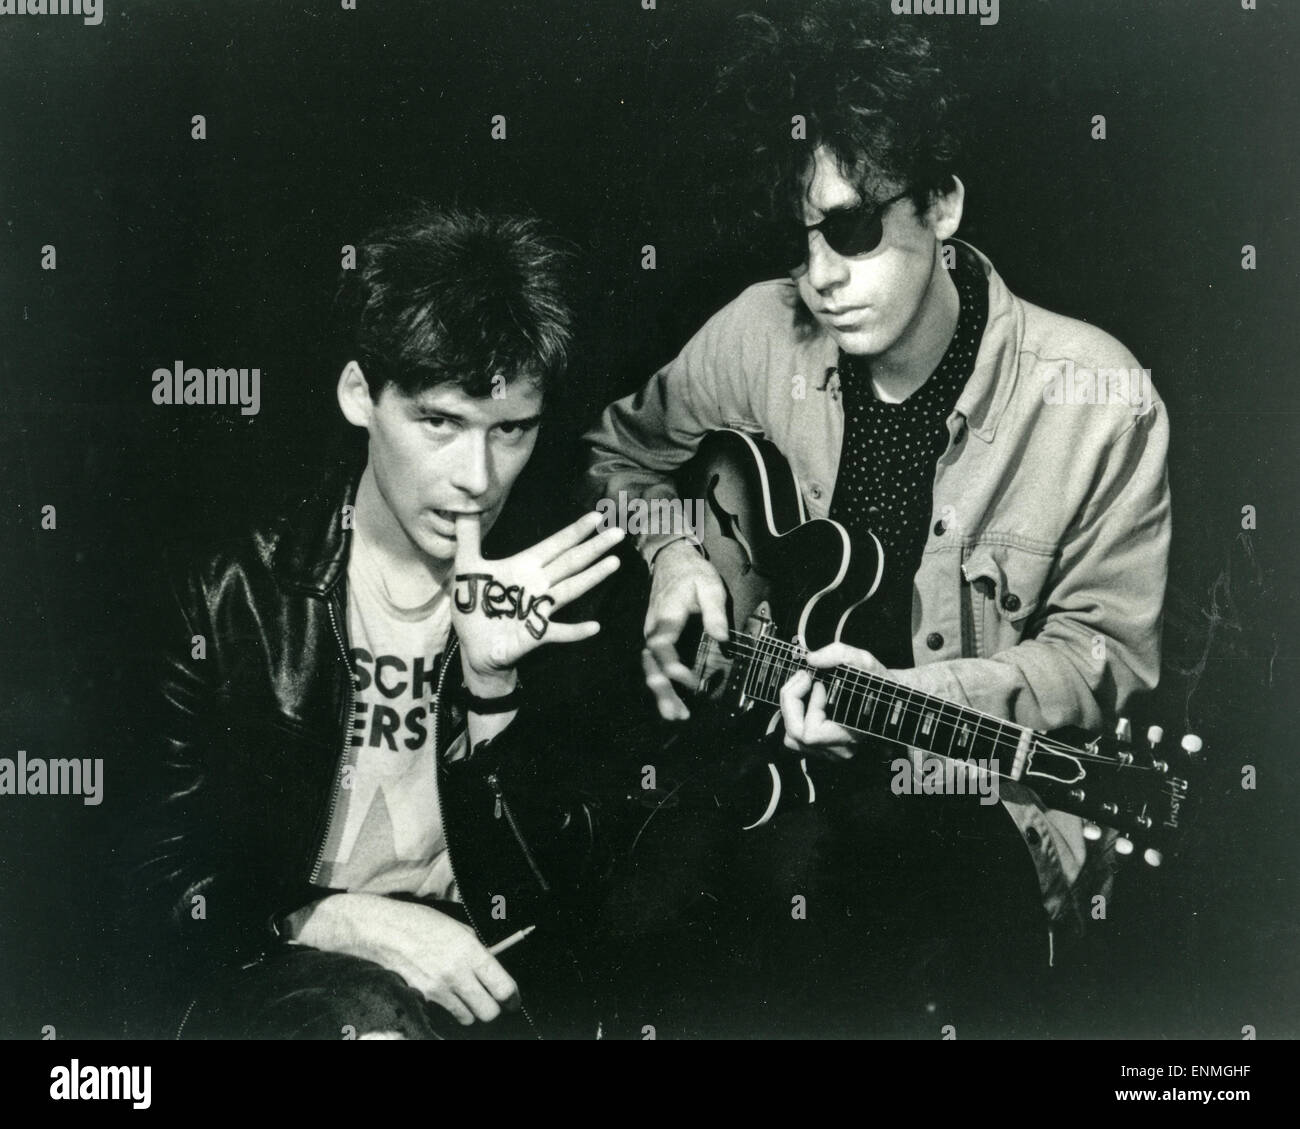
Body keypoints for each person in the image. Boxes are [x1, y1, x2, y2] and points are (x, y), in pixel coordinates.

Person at [583, 4, 1171, 1036]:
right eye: (803, 235)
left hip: (967, 794)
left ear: (941, 204)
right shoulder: (760, 333)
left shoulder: (1099, 397)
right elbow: (619, 451)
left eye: (853, 230)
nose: (819, 275)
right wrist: (678, 558)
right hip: (760, 766)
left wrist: (902, 695)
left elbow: (1097, 659)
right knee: (622, 932)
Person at [123, 207, 627, 1039]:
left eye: (511, 431)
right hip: (280, 974)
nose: (477, 477)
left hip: (475, 981)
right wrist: (343, 921)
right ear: (361, 395)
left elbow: (579, 908)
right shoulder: (233, 592)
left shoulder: (563, 586)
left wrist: (494, 685)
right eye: (440, 421)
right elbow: (150, 888)